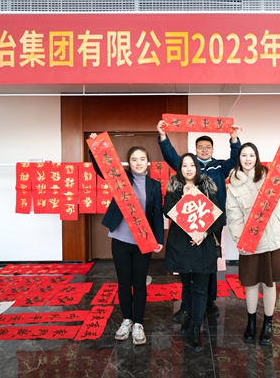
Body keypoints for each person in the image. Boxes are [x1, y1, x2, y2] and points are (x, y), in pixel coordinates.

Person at [157, 120, 242, 322]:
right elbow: (171, 156)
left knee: (209, 264)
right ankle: (186, 307)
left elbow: (235, 159)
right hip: (187, 223)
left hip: (212, 223)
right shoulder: (189, 166)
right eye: (200, 147)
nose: (204, 150)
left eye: (208, 147)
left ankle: (209, 302)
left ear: (212, 149)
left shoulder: (220, 166)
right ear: (195, 150)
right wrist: (163, 137)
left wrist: (234, 140)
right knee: (187, 265)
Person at [88, 133, 164, 346]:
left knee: (139, 283)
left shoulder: (154, 185)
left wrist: (159, 239)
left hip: (143, 242)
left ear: (147, 162)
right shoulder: (121, 179)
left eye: (142, 159)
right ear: (129, 163)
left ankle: (138, 323)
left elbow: (157, 214)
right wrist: (95, 147)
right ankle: (126, 320)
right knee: (124, 282)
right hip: (120, 239)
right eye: (134, 159)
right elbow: (101, 168)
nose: (138, 163)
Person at [225, 142, 280, 346]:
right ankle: (251, 323)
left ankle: (268, 323)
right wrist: (241, 240)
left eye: (251, 155)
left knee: (270, 283)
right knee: (250, 283)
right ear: (239, 158)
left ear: (257, 157)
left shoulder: (269, 176)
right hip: (250, 241)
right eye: (244, 155)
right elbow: (234, 216)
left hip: (273, 239)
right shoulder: (232, 185)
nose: (248, 159)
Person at [162, 153, 221, 352]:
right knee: (187, 286)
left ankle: (197, 327)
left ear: (197, 168)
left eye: (192, 165)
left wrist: (204, 233)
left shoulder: (207, 187)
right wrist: (184, 196)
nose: (188, 169)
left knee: (200, 289)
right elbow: (167, 211)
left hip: (203, 246)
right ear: (179, 169)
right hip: (182, 246)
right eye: (184, 166)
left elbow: (218, 218)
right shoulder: (174, 188)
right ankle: (189, 318)